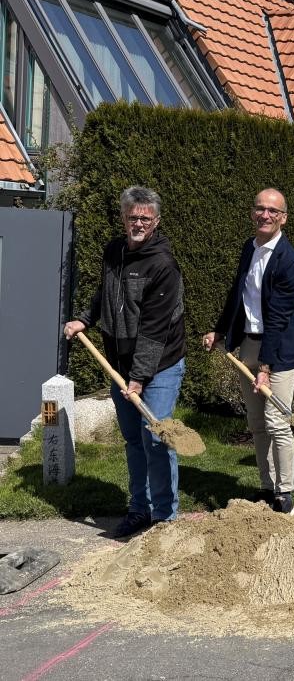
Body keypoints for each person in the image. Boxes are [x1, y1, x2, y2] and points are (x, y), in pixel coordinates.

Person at [64, 187, 186, 538]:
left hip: (159, 365)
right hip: (120, 365)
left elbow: (154, 329)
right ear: (123, 217)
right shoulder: (114, 251)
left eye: (146, 218)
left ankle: (164, 518)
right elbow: (105, 294)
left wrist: (139, 378)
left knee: (158, 438)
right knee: (134, 440)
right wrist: (86, 319)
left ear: (157, 221)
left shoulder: (163, 266)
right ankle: (139, 509)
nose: (138, 223)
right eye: (133, 216)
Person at [203, 188, 294, 514]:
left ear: (283, 218)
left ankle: (285, 491)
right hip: (248, 342)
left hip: (279, 350)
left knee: (277, 421)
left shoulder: (290, 262)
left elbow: (278, 317)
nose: (266, 215)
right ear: (253, 213)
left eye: (273, 211)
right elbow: (238, 294)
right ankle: (267, 486)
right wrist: (220, 330)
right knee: (256, 422)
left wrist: (266, 366)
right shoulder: (249, 249)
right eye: (260, 209)